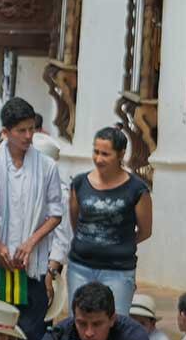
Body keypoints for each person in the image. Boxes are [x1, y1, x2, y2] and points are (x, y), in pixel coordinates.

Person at [0, 98, 68, 340]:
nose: (28, 136)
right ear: (5, 132)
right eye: (21, 130)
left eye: (31, 128)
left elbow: (55, 213)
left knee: (31, 335)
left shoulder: (46, 167)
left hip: (33, 265)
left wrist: (31, 243)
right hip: (1, 264)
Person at [65, 127, 152, 309]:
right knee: (79, 323)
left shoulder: (137, 189)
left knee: (116, 323)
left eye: (105, 154)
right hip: (80, 267)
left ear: (121, 154)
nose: (98, 159)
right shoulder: (80, 183)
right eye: (95, 152)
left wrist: (121, 244)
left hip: (118, 271)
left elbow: (145, 231)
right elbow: (75, 221)